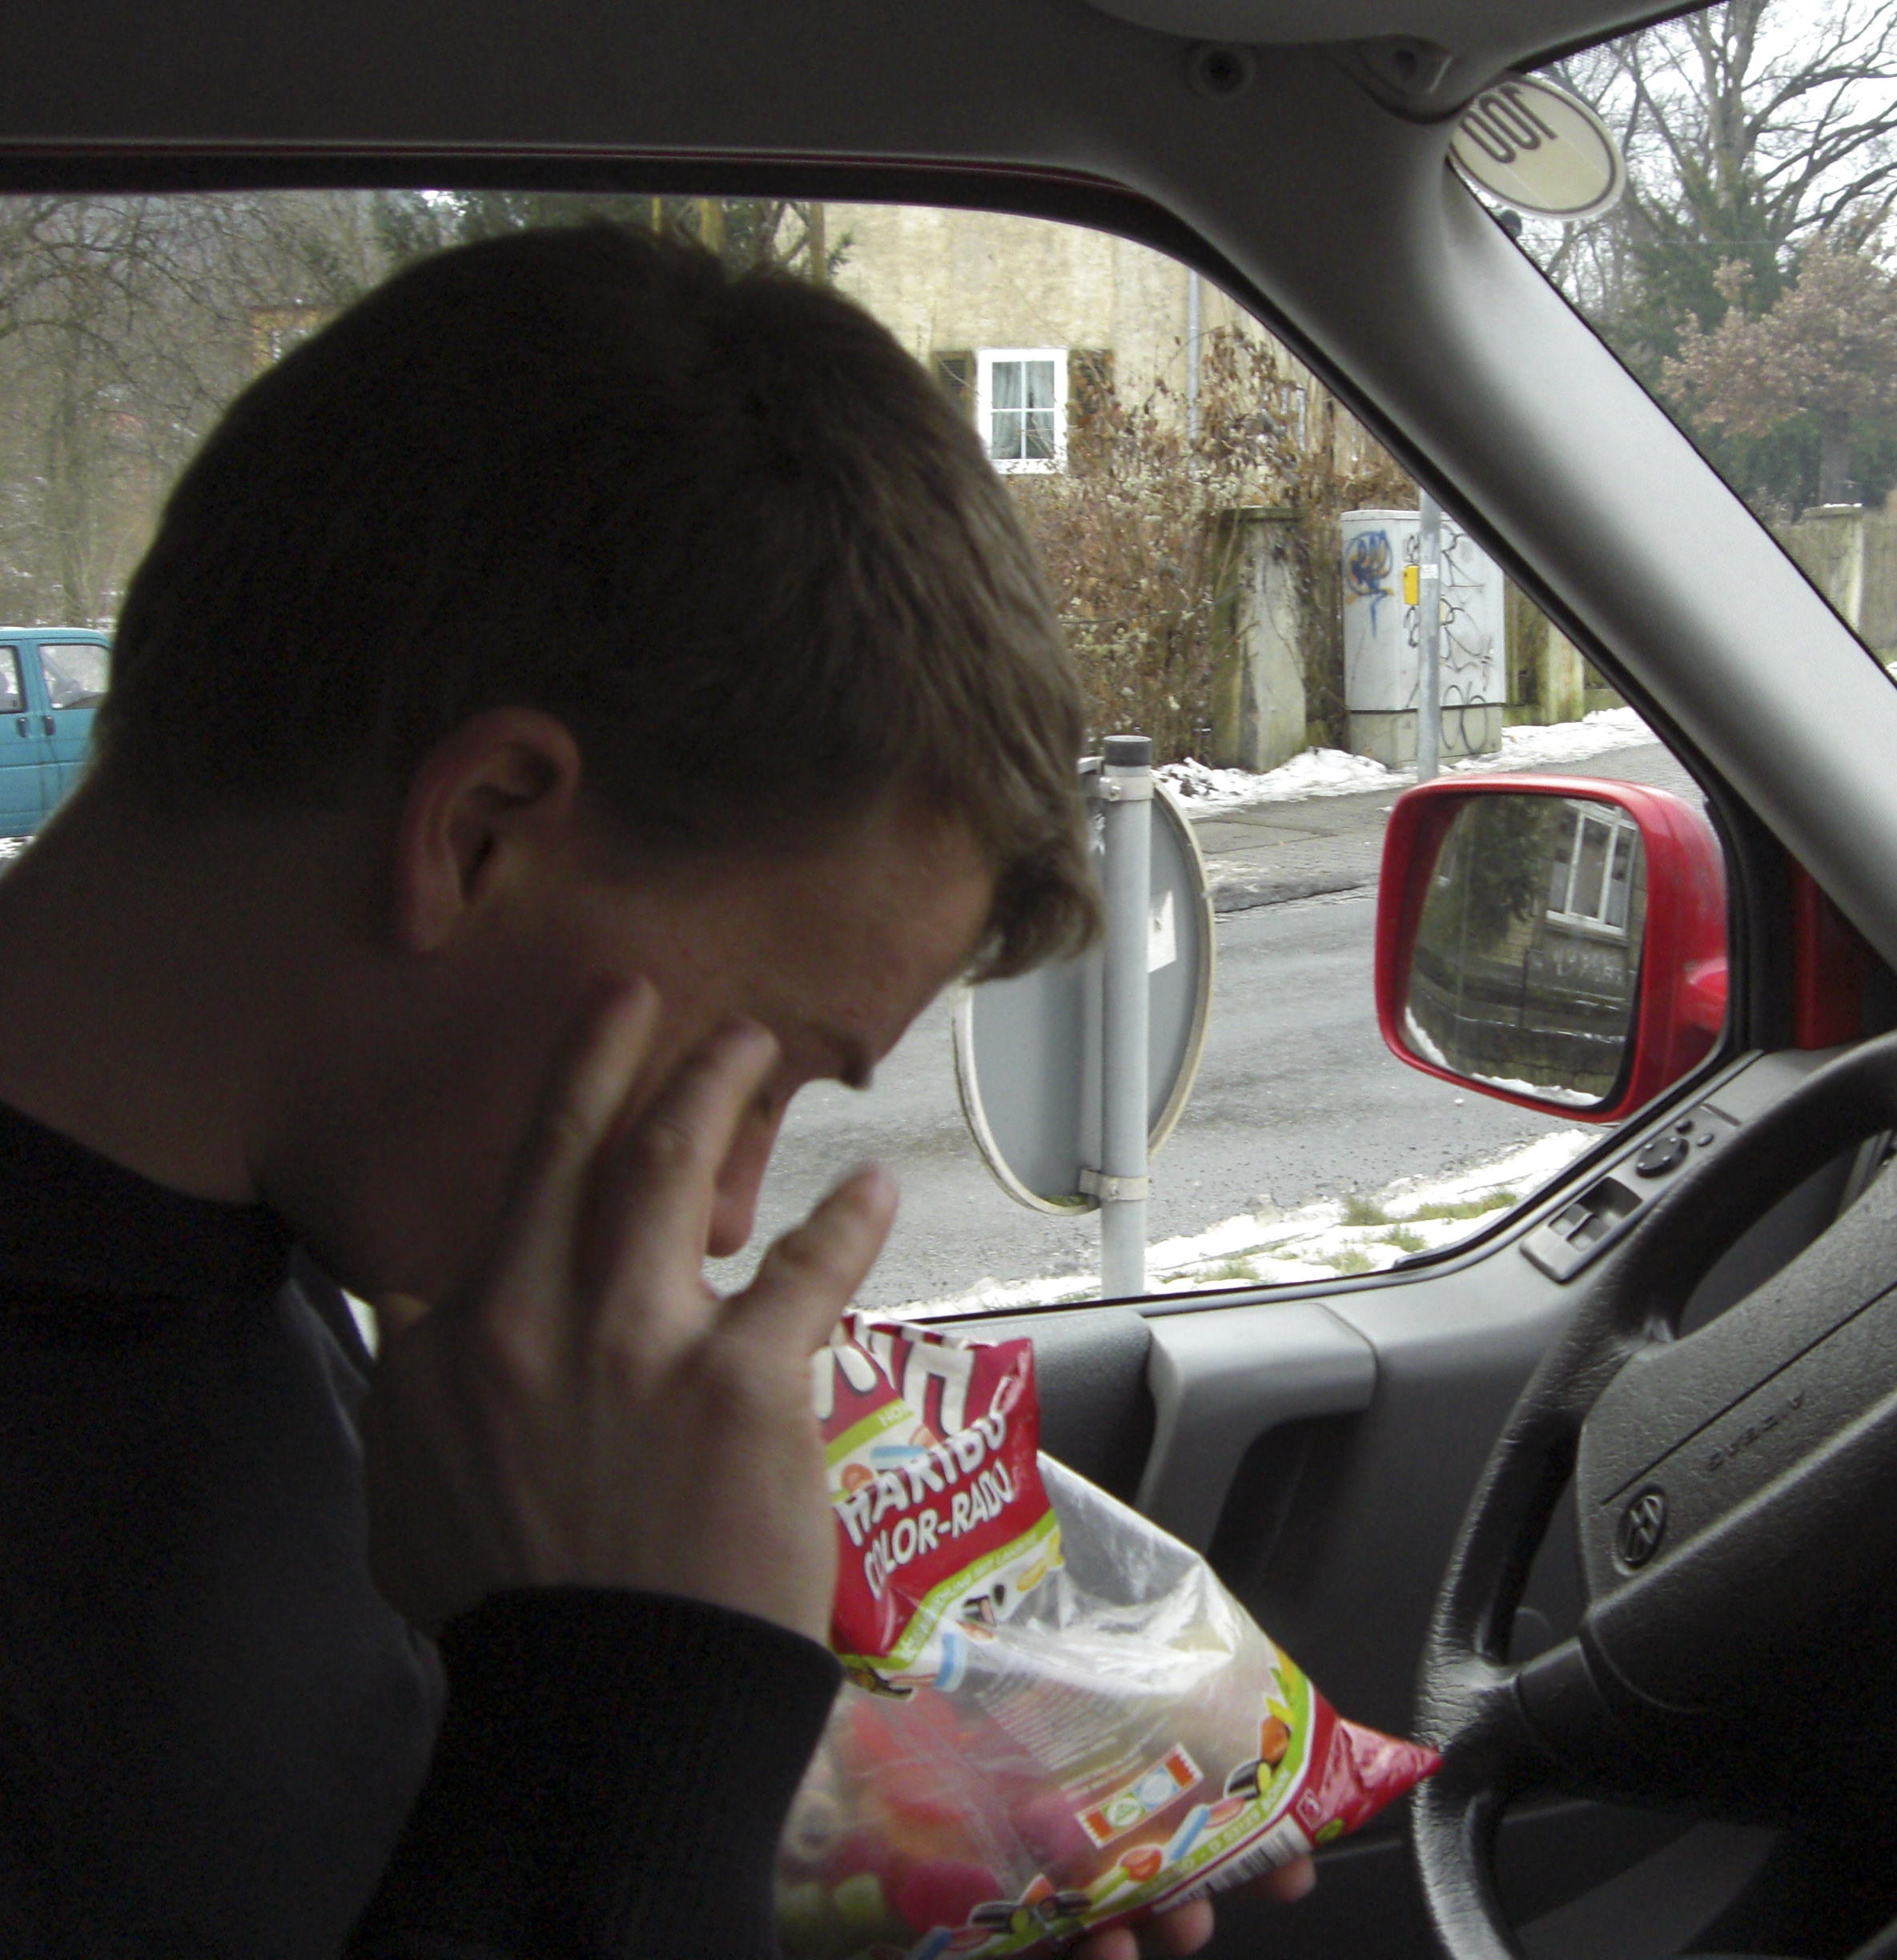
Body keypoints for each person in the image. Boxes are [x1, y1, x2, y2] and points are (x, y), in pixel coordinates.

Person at [0, 224, 1310, 1956]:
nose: (723, 1216)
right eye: (749, 1073)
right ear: (483, 834)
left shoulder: (256, 1277)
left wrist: (806, 1866)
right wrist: (638, 1697)